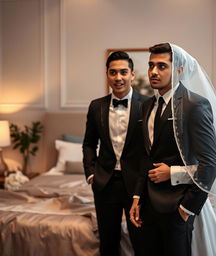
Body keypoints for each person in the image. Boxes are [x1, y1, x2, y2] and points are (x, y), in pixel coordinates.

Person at [130, 43, 216, 256]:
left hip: (178, 204)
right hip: (147, 205)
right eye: (151, 66)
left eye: (161, 66)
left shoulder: (194, 105)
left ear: (178, 70)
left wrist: (186, 209)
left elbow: (211, 163)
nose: (153, 72)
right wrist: (136, 198)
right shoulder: (146, 105)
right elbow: (146, 155)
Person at [83, 51, 148, 256]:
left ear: (132, 74)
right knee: (108, 242)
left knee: (141, 241)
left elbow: (151, 149)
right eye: (113, 72)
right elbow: (89, 144)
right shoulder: (96, 106)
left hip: (137, 185)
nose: (118, 78)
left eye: (123, 72)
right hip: (105, 183)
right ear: (107, 74)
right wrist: (91, 173)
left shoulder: (148, 105)